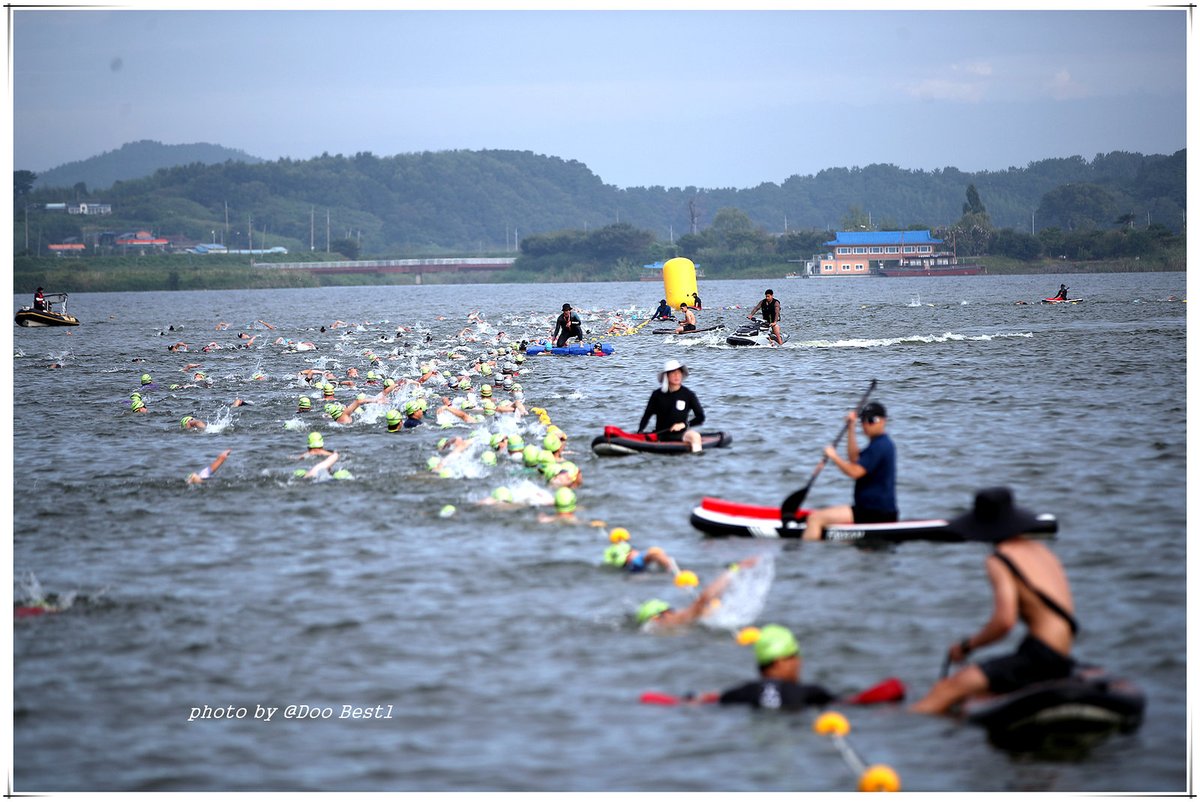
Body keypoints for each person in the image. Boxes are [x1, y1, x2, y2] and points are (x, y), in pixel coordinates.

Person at [911, 487, 1076, 715]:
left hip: (1039, 655)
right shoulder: (1042, 551)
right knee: (972, 691)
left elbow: (1004, 622)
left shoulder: (1000, 559)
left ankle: (899, 729)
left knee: (945, 690)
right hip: (1062, 654)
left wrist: (966, 647)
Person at [801, 401, 897, 541]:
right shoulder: (878, 444)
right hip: (872, 511)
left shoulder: (880, 446)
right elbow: (855, 459)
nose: (867, 424)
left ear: (883, 421)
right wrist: (851, 428)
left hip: (873, 513)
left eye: (872, 420)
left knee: (815, 518)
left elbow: (855, 472)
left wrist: (834, 457)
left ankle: (801, 558)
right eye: (863, 420)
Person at [716, 625, 835, 710]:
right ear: (780, 662)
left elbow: (706, 702)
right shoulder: (811, 694)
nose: (799, 662)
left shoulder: (737, 694)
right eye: (795, 656)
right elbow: (847, 703)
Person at [636, 557, 758, 630]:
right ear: (661, 615)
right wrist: (734, 570)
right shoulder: (675, 620)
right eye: (670, 611)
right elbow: (703, 600)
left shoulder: (664, 627)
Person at [637, 359, 705, 453]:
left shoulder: (688, 394)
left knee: (695, 436)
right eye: (673, 373)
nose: (676, 375)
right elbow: (647, 415)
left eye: (678, 372)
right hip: (661, 434)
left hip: (681, 434)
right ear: (666, 376)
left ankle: (697, 461)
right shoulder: (657, 395)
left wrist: (684, 424)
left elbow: (700, 417)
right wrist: (639, 432)